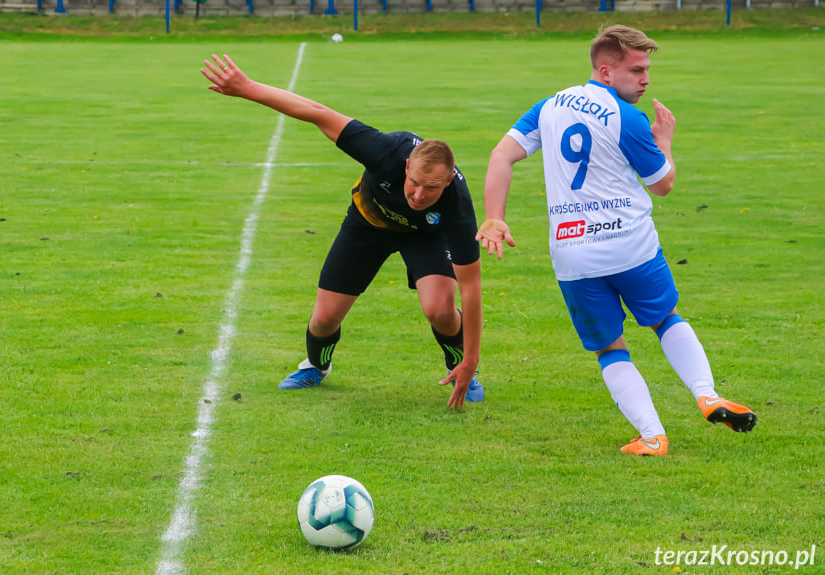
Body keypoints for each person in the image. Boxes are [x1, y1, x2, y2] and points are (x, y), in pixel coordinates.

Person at [477, 25, 757, 454]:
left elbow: (501, 155)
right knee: (666, 319)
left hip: (572, 253)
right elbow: (663, 184)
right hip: (631, 246)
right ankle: (706, 394)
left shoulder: (548, 106)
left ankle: (652, 437)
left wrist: (495, 218)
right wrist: (664, 141)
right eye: (637, 70)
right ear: (606, 71)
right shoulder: (627, 117)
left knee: (610, 348)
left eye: (647, 70)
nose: (646, 79)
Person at [201, 54, 484, 408]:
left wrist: (471, 359)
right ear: (406, 166)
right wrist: (247, 88)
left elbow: (471, 290)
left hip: (426, 236)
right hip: (369, 223)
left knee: (441, 309)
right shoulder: (384, 151)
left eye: (431, 189)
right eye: (414, 183)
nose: (418, 194)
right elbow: (318, 111)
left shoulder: (457, 206)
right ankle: (317, 366)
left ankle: (459, 366)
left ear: (446, 182)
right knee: (324, 318)